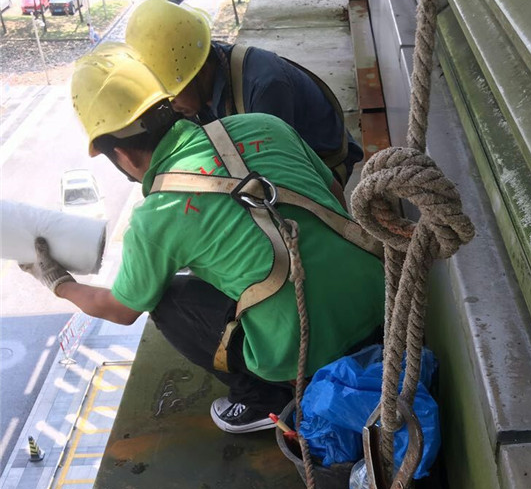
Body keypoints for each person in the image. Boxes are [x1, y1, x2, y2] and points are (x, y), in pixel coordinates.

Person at [21, 43, 384, 436]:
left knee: (166, 300)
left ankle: (264, 398)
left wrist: (58, 283)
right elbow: (332, 192)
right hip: (377, 300)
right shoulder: (265, 124)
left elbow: (121, 309)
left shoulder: (157, 216)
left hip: (306, 353)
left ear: (121, 155)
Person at [124, 0, 363, 186]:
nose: (172, 104)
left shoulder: (263, 88)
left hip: (323, 162)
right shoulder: (203, 82)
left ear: (199, 71)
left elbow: (279, 175)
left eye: (172, 94)